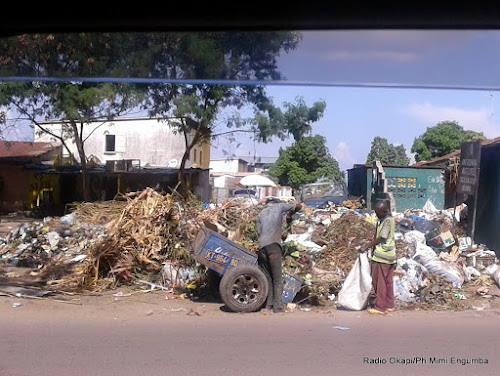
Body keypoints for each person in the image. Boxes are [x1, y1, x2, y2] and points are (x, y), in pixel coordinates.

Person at [256, 198, 302, 313]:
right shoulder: (279, 207)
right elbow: (298, 206)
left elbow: (258, 232)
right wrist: (290, 214)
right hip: (273, 246)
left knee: (268, 278)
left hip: (261, 247)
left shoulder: (261, 214)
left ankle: (268, 305)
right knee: (277, 278)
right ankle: (278, 306)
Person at [359, 201, 396, 315]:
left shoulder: (386, 222)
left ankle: (380, 307)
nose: (376, 215)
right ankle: (389, 305)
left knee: (380, 283)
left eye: (377, 212)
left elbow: (382, 237)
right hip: (390, 255)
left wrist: (366, 246)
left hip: (382, 256)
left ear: (384, 211)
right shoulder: (388, 220)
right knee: (388, 282)